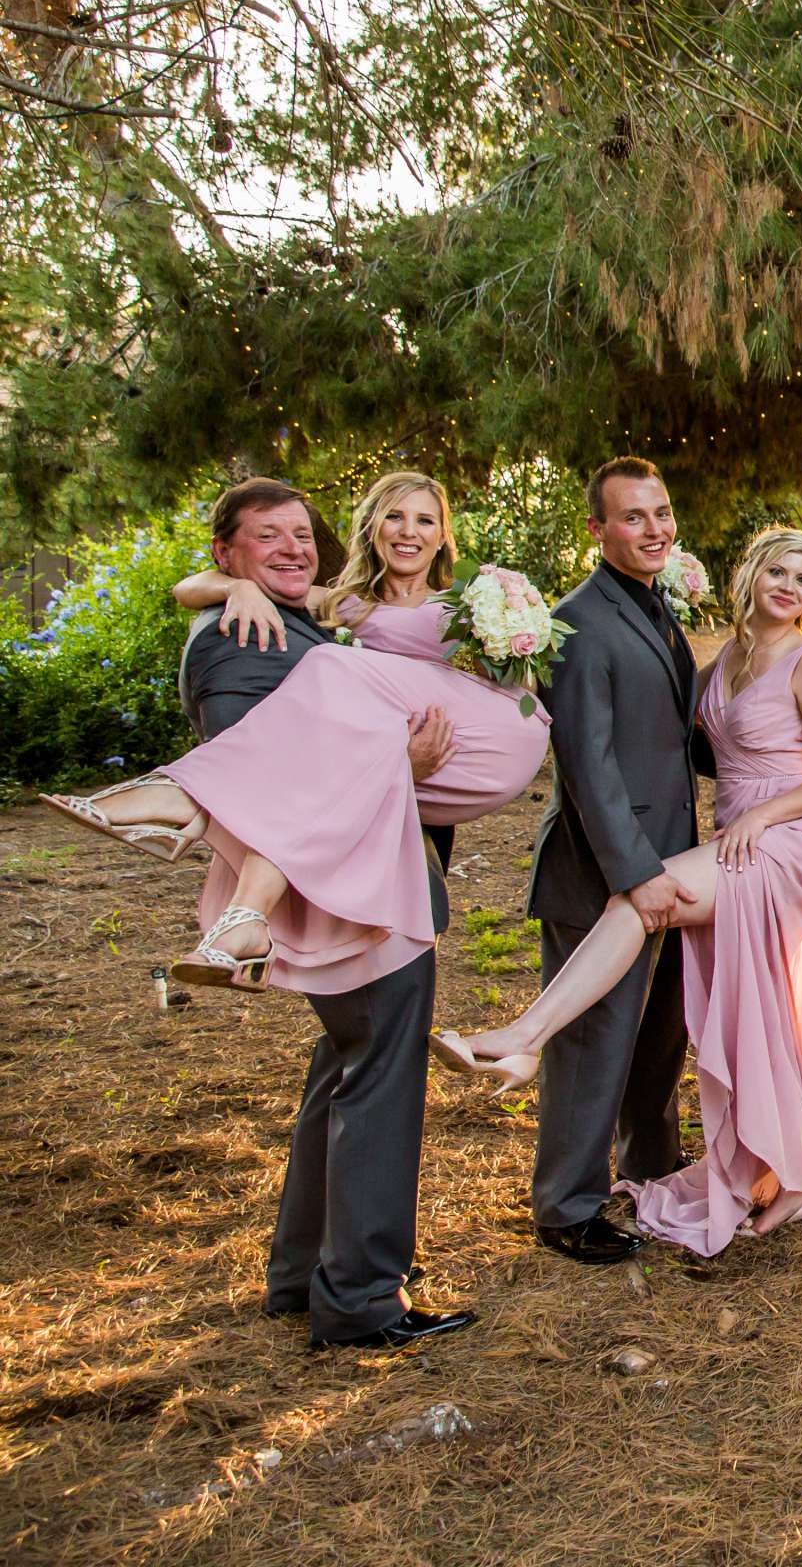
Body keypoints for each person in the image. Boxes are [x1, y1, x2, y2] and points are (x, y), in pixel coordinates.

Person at [442, 529, 802, 1255]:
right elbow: (676, 742)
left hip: (789, 838)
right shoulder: (723, 658)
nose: (791, 586)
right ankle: (793, 1179)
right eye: (779, 570)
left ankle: (524, 1039)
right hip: (735, 832)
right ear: (752, 574)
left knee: (639, 899)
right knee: (752, 1010)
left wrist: (763, 813)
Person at [41, 470, 551, 992]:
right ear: (372, 526)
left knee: (330, 666)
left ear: (443, 535)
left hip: (489, 735)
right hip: (410, 764)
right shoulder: (347, 604)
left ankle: (185, 797)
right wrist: (238, 585)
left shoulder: (468, 602)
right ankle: (246, 920)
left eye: (425, 520)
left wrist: (509, 631)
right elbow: (187, 588)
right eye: (395, 516)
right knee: (311, 780)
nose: (408, 531)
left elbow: (523, 680)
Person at [173, 477, 471, 1348]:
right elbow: (257, 773)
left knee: (343, 1071)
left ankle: (301, 1275)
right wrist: (403, 765)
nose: (296, 548)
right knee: (381, 1074)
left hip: (361, 879)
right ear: (228, 553)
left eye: (303, 534)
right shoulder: (242, 636)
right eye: (270, 537)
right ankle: (361, 1300)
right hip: (347, 895)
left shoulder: (289, 619)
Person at [519, 456, 714, 1265]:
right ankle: (566, 1204)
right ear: (596, 530)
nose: (654, 529)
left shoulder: (658, 604)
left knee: (661, 1034)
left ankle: (648, 1165)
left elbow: (676, 732)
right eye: (633, 517)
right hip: (606, 868)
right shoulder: (580, 622)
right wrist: (635, 873)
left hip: (678, 854)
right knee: (594, 1037)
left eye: (661, 513)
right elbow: (587, 764)